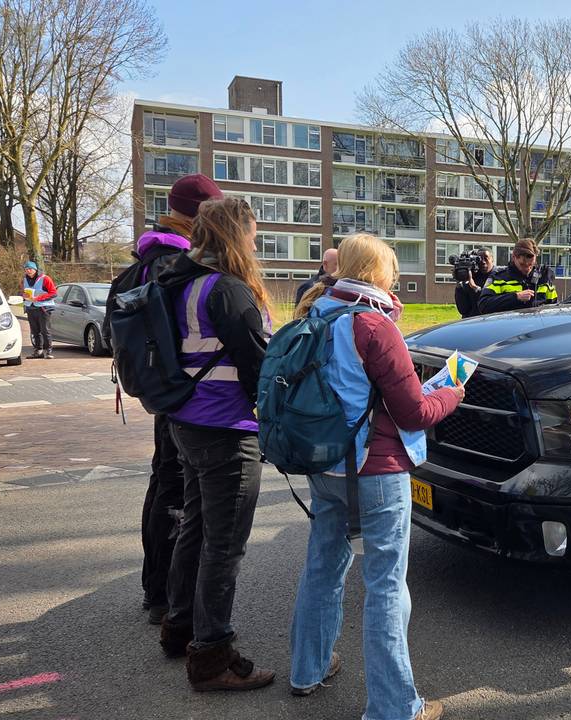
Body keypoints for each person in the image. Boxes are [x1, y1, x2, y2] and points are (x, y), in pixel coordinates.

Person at [288, 233, 462, 720]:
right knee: (386, 584)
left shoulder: (315, 313)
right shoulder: (374, 325)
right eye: (392, 270)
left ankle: (308, 669)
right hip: (377, 469)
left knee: (322, 567)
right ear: (378, 273)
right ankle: (394, 707)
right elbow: (414, 412)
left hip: (322, 464)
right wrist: (453, 391)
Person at [156, 197, 275, 692]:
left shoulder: (181, 282)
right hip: (227, 430)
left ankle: (179, 626)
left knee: (196, 529)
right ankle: (211, 655)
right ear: (235, 235)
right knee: (223, 546)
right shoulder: (229, 291)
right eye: (251, 233)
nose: (255, 241)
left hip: (185, 422)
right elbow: (259, 367)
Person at [106, 173, 223, 626]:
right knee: (179, 490)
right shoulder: (176, 264)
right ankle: (171, 600)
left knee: (163, 483)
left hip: (158, 391)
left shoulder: (141, 261)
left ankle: (155, 588)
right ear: (201, 214)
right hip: (186, 394)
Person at [477, 239, 558, 315]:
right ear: (514, 257)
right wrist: (515, 297)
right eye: (522, 264)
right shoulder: (499, 278)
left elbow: (554, 308)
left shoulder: (543, 279)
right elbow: (483, 305)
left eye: (530, 264)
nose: (527, 267)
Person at [21, 261, 57, 359]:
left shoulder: (45, 279)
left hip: (43, 308)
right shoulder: (24, 280)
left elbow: (53, 293)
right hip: (30, 307)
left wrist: (38, 298)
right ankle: (38, 351)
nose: (28, 271)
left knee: (45, 330)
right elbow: (23, 292)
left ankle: (48, 351)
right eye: (26, 269)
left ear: (35, 269)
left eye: (30, 269)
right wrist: (24, 296)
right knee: (34, 331)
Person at [453, 248, 493, 319]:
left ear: (492, 259)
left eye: (486, 258)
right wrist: (459, 286)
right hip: (471, 323)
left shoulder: (498, 276)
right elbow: (463, 310)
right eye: (479, 259)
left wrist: (475, 287)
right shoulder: (470, 277)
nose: (483, 262)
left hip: (490, 322)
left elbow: (490, 304)